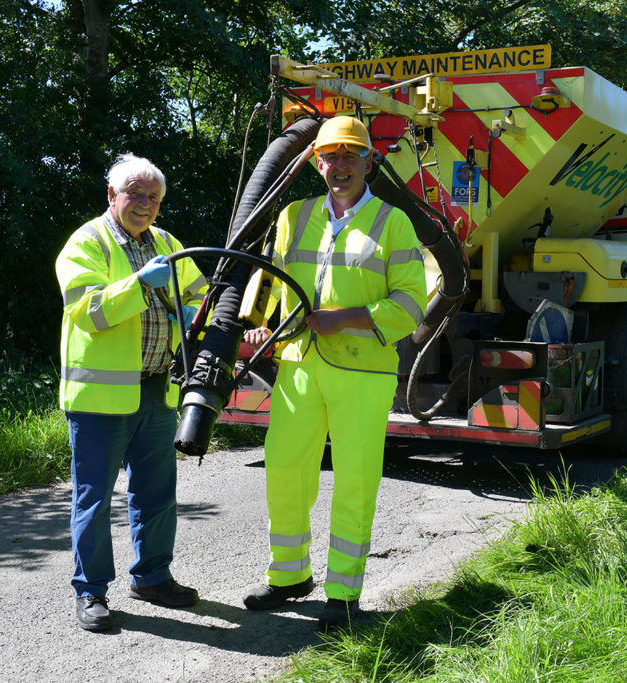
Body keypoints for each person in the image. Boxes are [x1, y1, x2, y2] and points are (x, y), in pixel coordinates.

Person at [241, 116, 427, 631]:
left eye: (350, 155)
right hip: (298, 365)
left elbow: (412, 302)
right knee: (284, 470)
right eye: (330, 156)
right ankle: (289, 576)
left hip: (363, 371)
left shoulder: (393, 222)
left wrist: (344, 318)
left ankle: (343, 593)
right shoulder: (294, 217)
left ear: (369, 161)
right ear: (315, 163)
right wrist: (255, 326)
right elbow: (267, 283)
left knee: (354, 480)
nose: (339, 165)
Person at [55, 153, 208, 632]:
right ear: (111, 195)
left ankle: (152, 577)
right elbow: (90, 313)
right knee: (95, 499)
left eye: (154, 197)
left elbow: (199, 295)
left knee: (157, 492)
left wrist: (195, 315)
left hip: (157, 392)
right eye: (135, 194)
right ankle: (91, 591)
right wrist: (140, 285)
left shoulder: (166, 242)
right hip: (100, 402)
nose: (145, 204)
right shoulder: (86, 242)